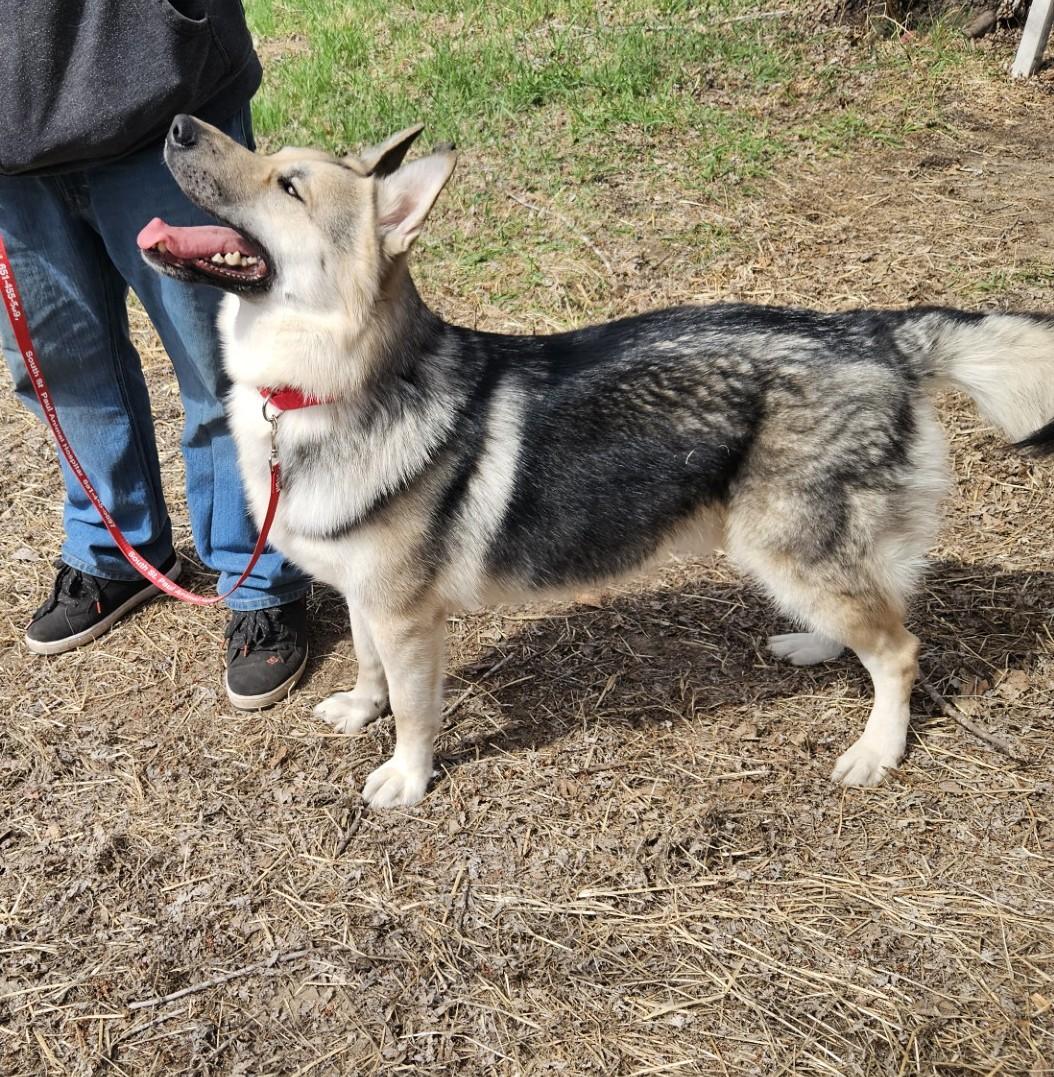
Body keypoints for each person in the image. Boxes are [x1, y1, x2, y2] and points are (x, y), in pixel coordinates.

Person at [0, 0, 312, 710]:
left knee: (224, 367)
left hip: (159, 89)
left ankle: (260, 574)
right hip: (9, 142)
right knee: (56, 367)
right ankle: (115, 549)